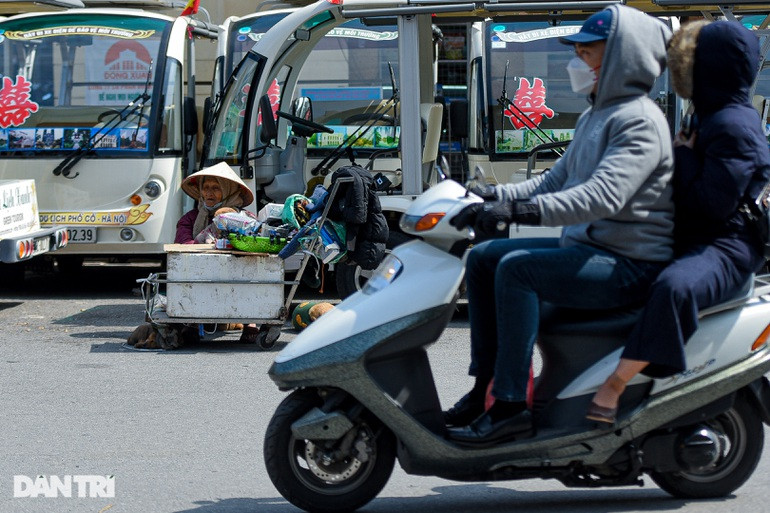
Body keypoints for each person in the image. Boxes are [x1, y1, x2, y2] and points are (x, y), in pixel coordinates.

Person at [445, 5, 674, 445]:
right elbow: (555, 180)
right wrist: (493, 196)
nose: (577, 63)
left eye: (588, 53)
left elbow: (601, 196)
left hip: (628, 264)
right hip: (593, 250)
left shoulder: (640, 122)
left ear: (622, 58)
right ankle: (483, 390)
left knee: (518, 268)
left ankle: (511, 405)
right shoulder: (595, 116)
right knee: (485, 258)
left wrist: (518, 214)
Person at [586, 20, 770, 424]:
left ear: (711, 66)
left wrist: (681, 156)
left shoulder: (733, 124)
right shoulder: (707, 114)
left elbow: (711, 205)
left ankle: (615, 384)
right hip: (695, 233)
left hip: (726, 245)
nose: (679, 66)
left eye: (690, 58)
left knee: (675, 287)